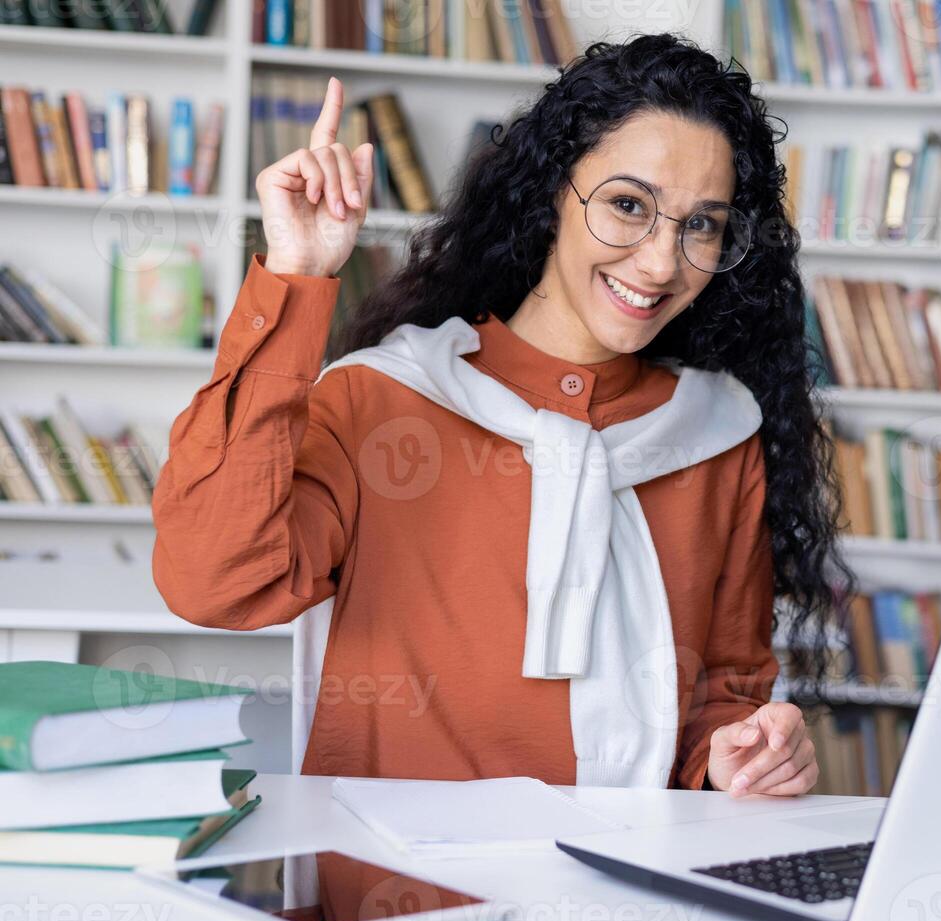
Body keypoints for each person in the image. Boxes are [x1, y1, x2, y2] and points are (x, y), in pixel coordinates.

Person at [151, 34, 854, 798]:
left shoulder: (718, 433)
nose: (660, 263)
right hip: (397, 898)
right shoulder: (381, 400)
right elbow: (214, 582)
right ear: (556, 191)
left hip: (621, 898)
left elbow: (722, 693)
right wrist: (296, 277)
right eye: (627, 205)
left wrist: (741, 758)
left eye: (701, 225)